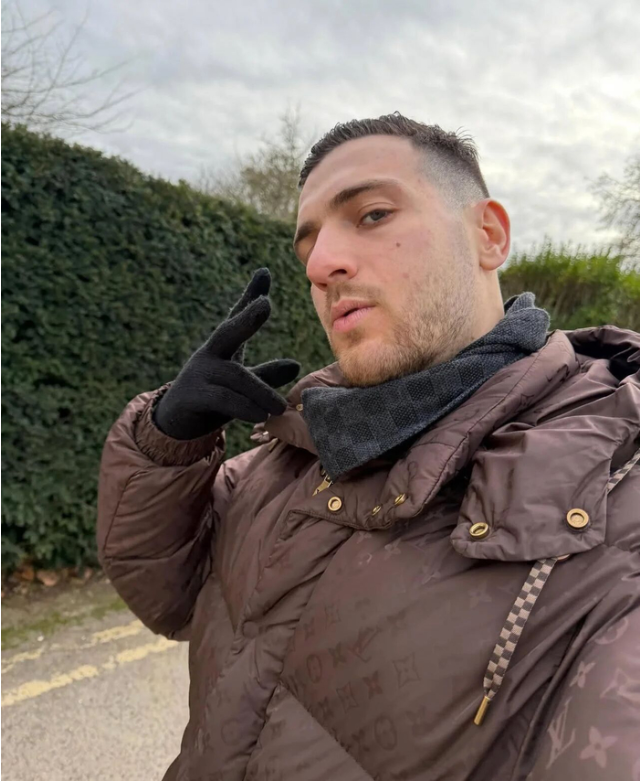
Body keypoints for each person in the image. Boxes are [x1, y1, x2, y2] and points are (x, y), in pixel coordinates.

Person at [97, 113, 640, 781]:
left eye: (373, 215)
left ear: (488, 236)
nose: (320, 265)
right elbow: (167, 593)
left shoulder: (612, 488)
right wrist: (169, 441)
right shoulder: (298, 446)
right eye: (307, 247)